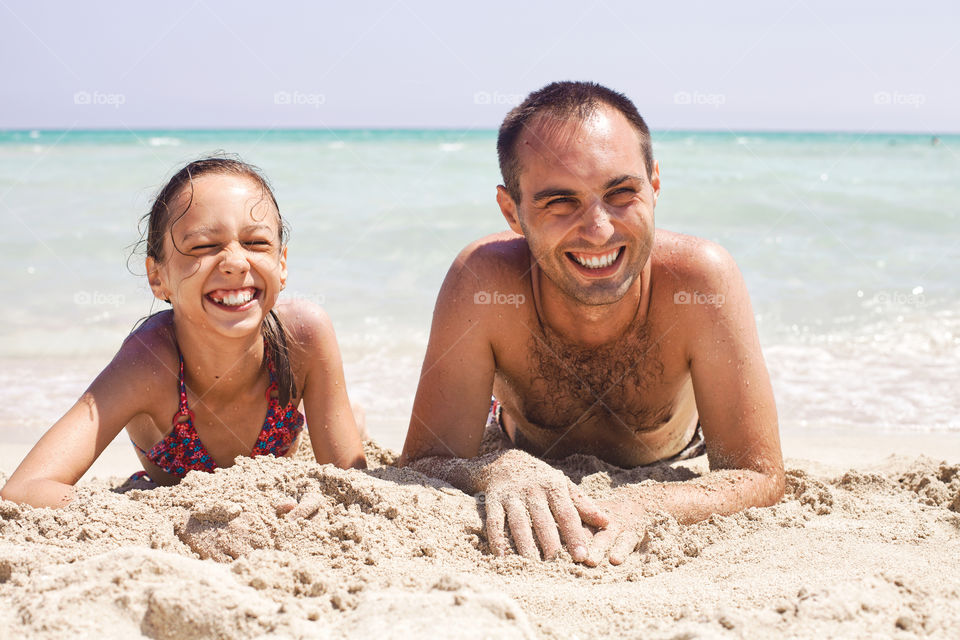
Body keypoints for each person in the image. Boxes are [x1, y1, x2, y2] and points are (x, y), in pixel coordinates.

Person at [399, 82, 784, 566]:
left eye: (621, 193)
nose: (599, 230)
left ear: (655, 185)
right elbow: (421, 463)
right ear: (512, 211)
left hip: (678, 455)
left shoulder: (701, 279)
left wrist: (648, 501)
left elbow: (760, 474)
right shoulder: (482, 281)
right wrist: (499, 469)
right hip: (521, 442)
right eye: (560, 202)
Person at [0, 156, 366, 508]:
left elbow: (352, 484)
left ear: (281, 265)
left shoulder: (304, 336)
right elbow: (25, 489)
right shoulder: (147, 362)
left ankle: (355, 416)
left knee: (351, 419)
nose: (236, 263)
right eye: (204, 246)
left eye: (256, 243)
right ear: (158, 278)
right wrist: (160, 514)